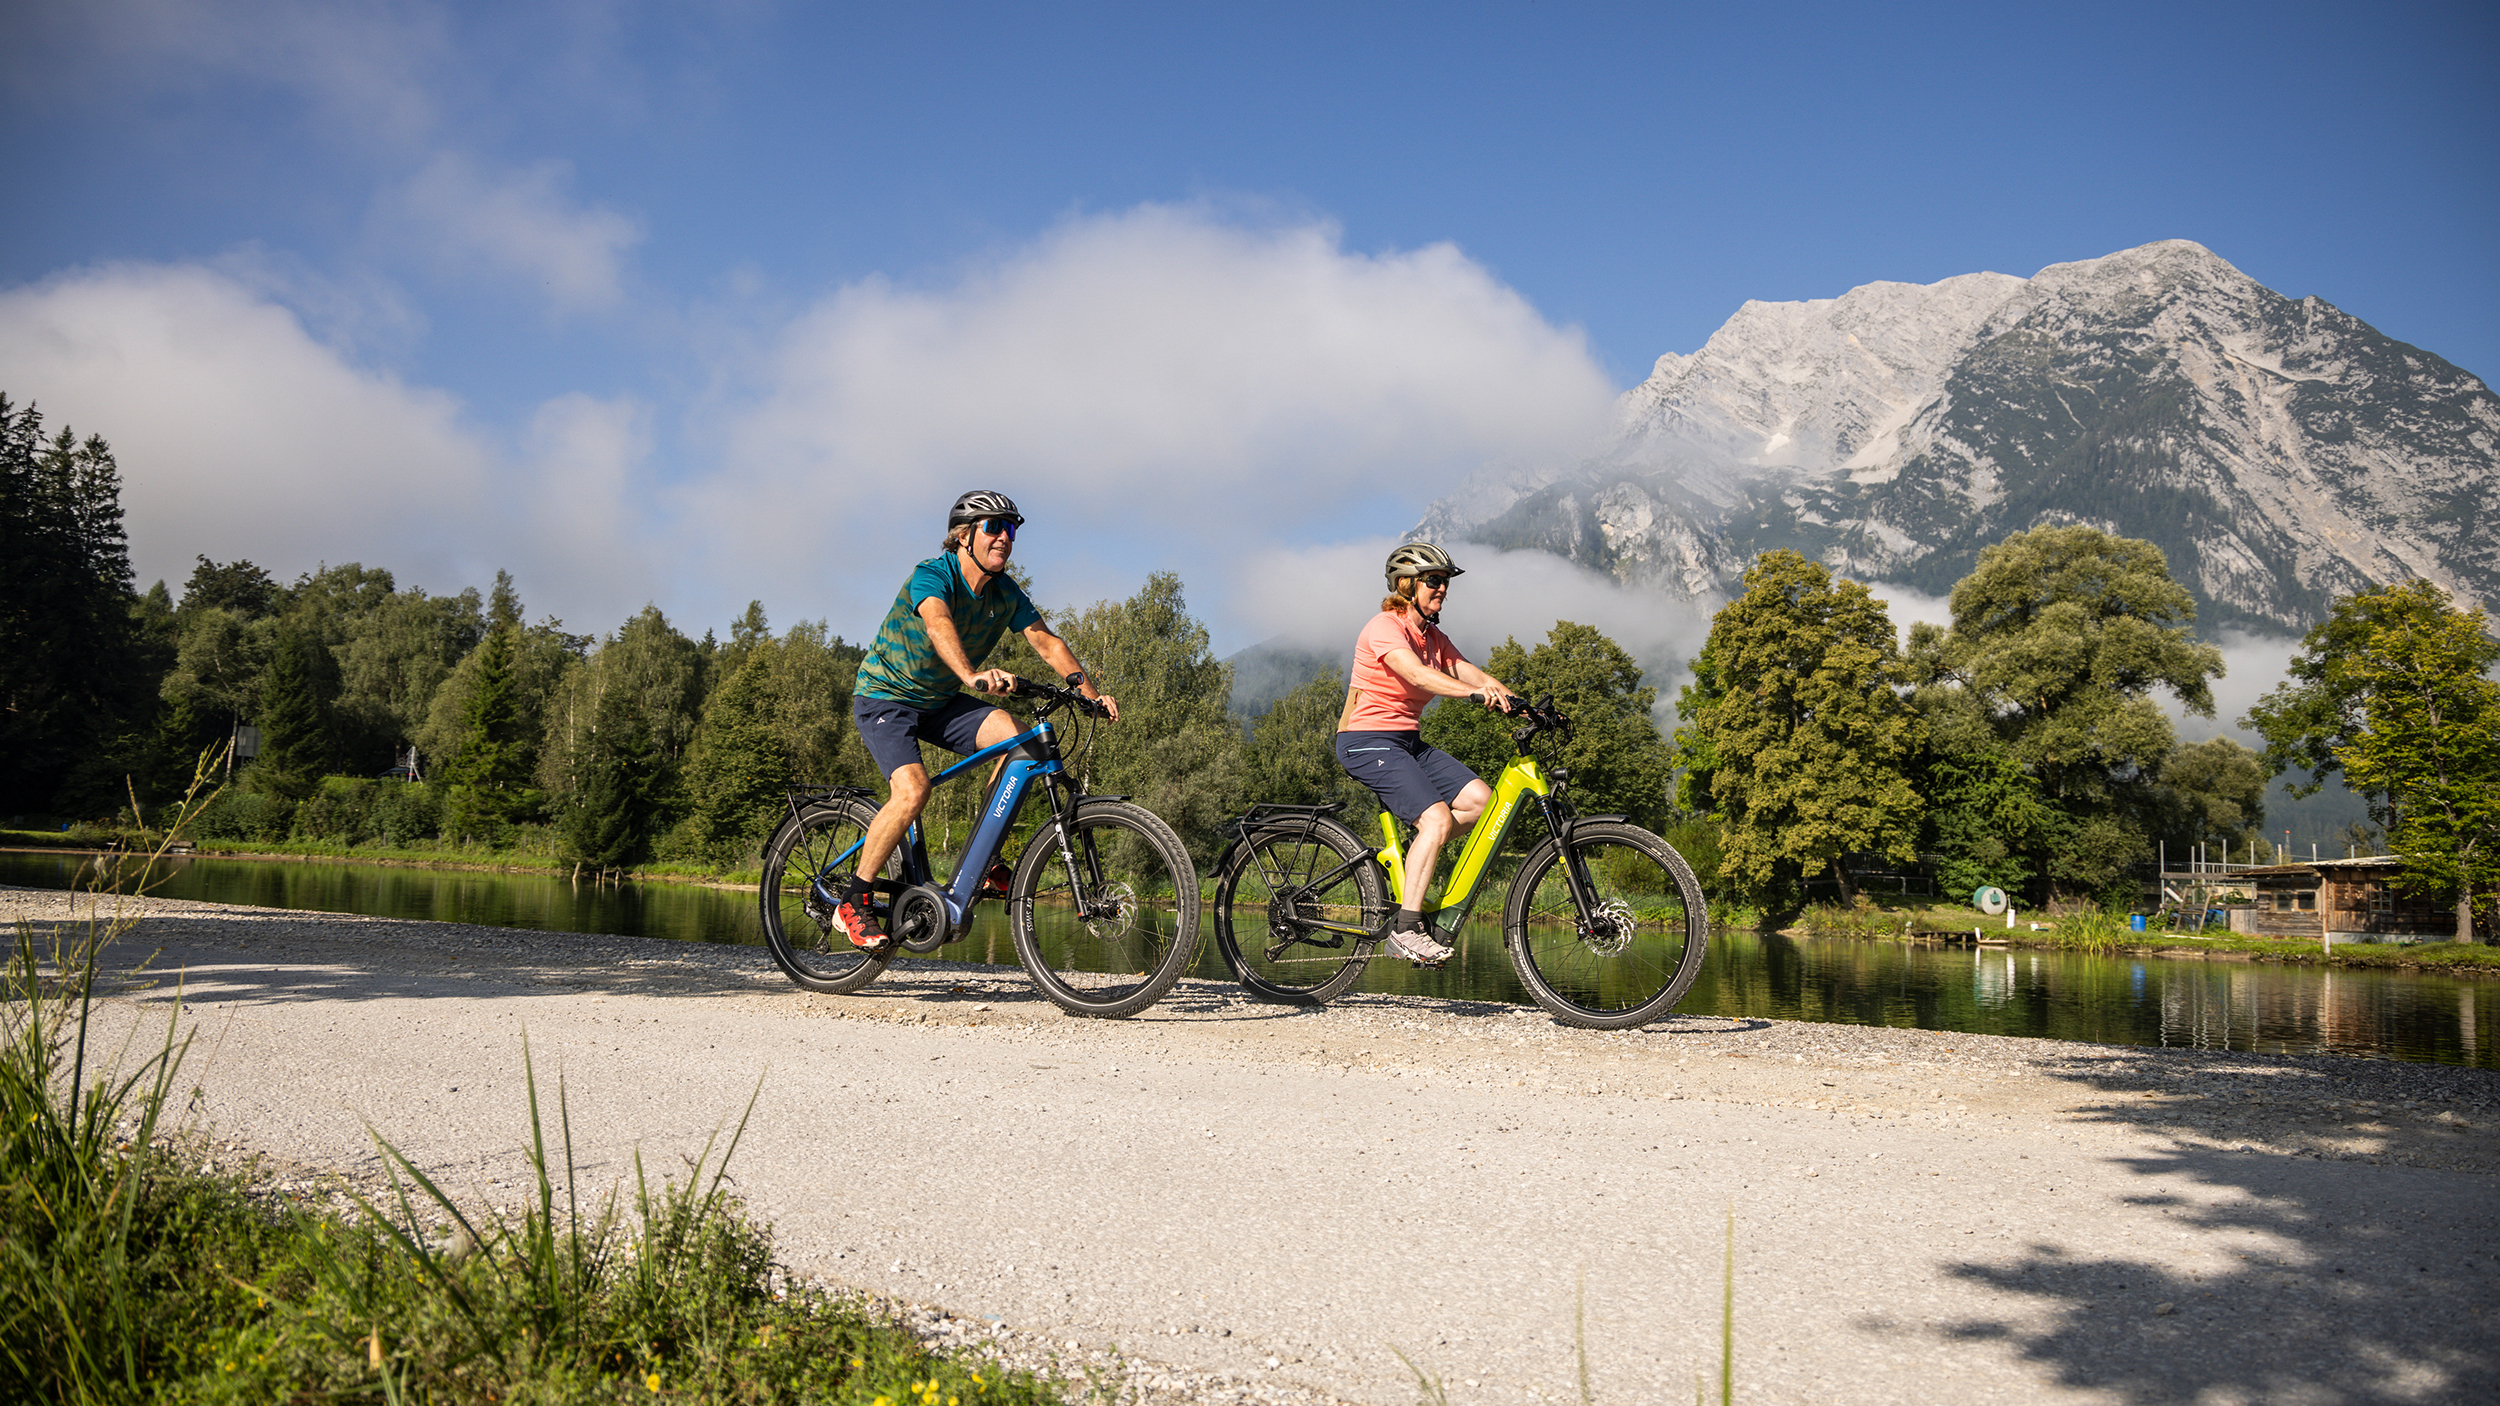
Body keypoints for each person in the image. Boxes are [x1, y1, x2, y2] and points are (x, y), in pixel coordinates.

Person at [836, 491, 1118, 952]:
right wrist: (971, 674)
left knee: (1016, 740)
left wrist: (1089, 695)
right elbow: (938, 623)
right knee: (913, 790)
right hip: (885, 696)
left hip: (938, 701)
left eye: (1011, 530)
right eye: (994, 528)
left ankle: (982, 863)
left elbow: (1047, 643)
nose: (1005, 538)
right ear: (963, 536)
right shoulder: (933, 575)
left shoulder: (1006, 593)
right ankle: (854, 897)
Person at [1334, 542, 1515, 965]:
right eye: (1434, 581)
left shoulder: (1433, 636)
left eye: (1445, 582)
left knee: (1482, 803)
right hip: (1366, 739)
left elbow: (1470, 671)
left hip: (1406, 741)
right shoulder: (1384, 627)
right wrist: (1474, 694)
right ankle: (1406, 928)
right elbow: (1416, 674)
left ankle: (1416, 856)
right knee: (1435, 818)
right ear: (1406, 585)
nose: (1443, 589)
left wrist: (1520, 702)